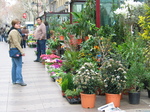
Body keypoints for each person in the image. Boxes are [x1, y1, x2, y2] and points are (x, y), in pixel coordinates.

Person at [7, 19, 27, 86]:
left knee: (15, 65)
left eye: (19, 23)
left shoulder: (13, 31)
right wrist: (22, 51)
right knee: (19, 65)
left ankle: (14, 80)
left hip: (13, 50)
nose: (19, 25)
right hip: (16, 50)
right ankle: (19, 80)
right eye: (17, 24)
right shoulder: (14, 32)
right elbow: (16, 42)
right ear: (13, 25)